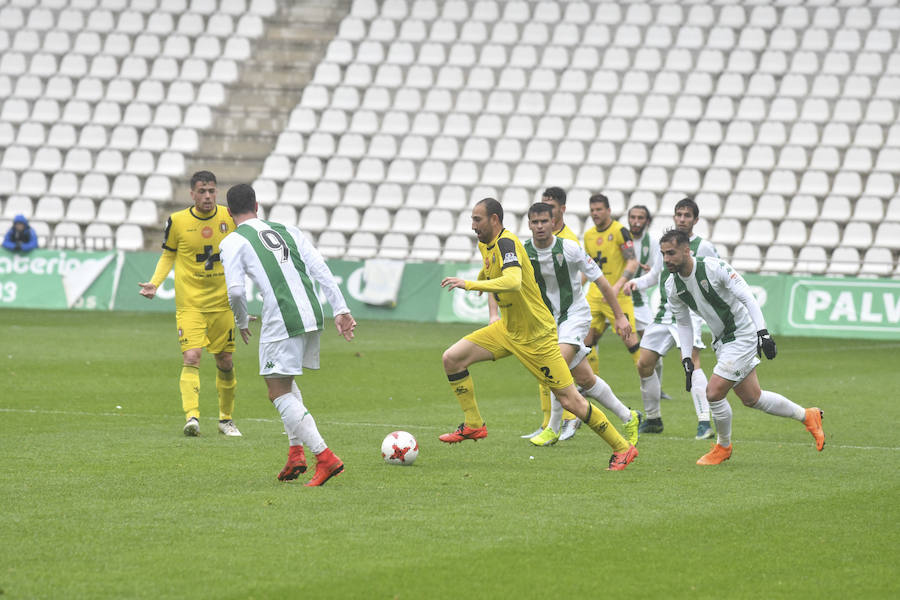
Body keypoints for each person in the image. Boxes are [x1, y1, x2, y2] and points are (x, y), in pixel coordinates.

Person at [438, 198, 637, 471]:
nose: (472, 226)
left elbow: (512, 280)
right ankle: (474, 424)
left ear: (494, 219)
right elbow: (491, 268)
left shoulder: (508, 243)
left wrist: (470, 284)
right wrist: (484, 279)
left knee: (571, 399)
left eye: (477, 220)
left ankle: (622, 448)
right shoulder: (486, 243)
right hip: (507, 329)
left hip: (536, 337)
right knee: (452, 359)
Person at [219, 184, 356, 486]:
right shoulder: (287, 229)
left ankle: (325, 457)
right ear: (258, 204)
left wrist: (241, 321)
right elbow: (319, 267)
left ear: (229, 213)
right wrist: (341, 309)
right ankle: (296, 453)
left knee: (277, 391)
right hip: (312, 311)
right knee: (285, 381)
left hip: (281, 317)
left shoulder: (232, 241)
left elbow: (236, 291)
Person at [659, 229, 825, 465]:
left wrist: (763, 333)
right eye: (663, 254)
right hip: (722, 340)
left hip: (743, 335)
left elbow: (747, 297)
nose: (666, 259)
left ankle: (723, 447)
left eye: (671, 253)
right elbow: (683, 322)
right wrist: (686, 357)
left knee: (713, 392)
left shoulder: (714, 268)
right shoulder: (671, 285)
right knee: (752, 398)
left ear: (687, 250)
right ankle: (807, 415)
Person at [523, 202, 642, 448]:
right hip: (549, 322)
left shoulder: (570, 249)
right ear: (529, 225)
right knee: (587, 380)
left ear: (553, 222)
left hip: (575, 316)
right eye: (535, 222)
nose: (540, 226)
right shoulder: (524, 252)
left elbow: (602, 282)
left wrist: (620, 317)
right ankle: (629, 417)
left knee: (554, 365)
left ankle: (553, 428)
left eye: (544, 221)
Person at [138, 171, 242, 437]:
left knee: (225, 360)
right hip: (190, 304)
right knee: (192, 356)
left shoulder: (229, 218)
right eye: (202, 191)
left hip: (222, 303)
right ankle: (192, 417)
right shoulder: (177, 221)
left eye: (211, 191)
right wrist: (155, 282)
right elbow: (168, 255)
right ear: (192, 194)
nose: (207, 196)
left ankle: (226, 419)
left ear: (216, 192)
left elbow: (245, 253)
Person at [624, 198, 716, 439]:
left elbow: (715, 275)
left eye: (687, 215)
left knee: (692, 361)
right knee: (644, 363)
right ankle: (653, 419)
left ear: (696, 220)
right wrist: (636, 282)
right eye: (679, 214)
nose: (682, 219)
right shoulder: (663, 245)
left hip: (691, 315)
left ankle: (704, 422)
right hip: (664, 313)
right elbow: (656, 274)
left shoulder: (703, 247)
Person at [520, 186, 581, 440]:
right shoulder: (531, 245)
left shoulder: (568, 242)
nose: (543, 220)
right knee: (559, 372)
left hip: (569, 313)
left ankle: (568, 418)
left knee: (557, 367)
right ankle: (549, 422)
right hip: (546, 317)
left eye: (550, 209)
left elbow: (581, 275)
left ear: (558, 213)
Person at [626, 205, 671, 401]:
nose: (636, 221)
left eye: (640, 218)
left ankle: (657, 388)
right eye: (633, 217)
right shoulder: (620, 238)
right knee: (589, 339)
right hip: (612, 300)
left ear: (647, 221)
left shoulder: (652, 242)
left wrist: (647, 269)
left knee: (652, 347)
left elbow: (657, 269)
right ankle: (584, 384)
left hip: (637, 300)